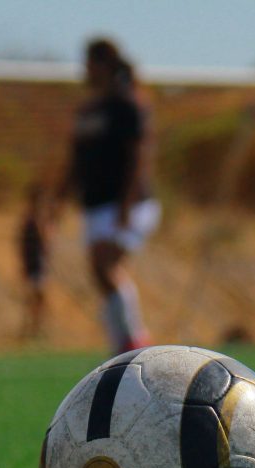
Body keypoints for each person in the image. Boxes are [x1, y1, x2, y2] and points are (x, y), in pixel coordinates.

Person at [56, 38, 160, 355]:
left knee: (105, 266)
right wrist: (58, 200)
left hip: (129, 203)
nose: (84, 69)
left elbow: (138, 154)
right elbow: (75, 161)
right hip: (96, 206)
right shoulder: (88, 111)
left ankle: (134, 339)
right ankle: (121, 345)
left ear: (103, 64)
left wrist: (126, 204)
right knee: (99, 273)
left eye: (88, 62)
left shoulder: (127, 104)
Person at [19, 182, 51, 339]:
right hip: (35, 263)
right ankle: (31, 330)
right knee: (35, 297)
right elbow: (41, 242)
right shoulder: (33, 220)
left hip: (38, 263)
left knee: (38, 299)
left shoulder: (37, 219)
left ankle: (35, 329)